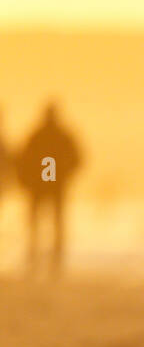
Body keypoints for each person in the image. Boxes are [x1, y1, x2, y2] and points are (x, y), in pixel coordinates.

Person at [16, 102, 83, 275]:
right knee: (47, 223)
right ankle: (45, 256)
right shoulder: (51, 135)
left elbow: (77, 159)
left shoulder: (43, 135)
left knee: (46, 223)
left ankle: (47, 257)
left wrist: (65, 173)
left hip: (47, 186)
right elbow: (24, 159)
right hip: (48, 186)